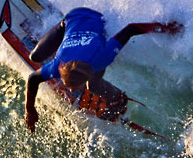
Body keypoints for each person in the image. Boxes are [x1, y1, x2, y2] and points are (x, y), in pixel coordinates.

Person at [24, 7, 182, 133]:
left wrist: (165, 28)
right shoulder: (58, 65)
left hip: (96, 19)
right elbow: (33, 78)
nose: (70, 90)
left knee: (93, 85)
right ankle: (60, 39)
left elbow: (131, 29)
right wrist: (30, 110)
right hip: (73, 17)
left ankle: (118, 100)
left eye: (73, 87)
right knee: (35, 57)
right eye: (68, 85)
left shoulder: (102, 57)